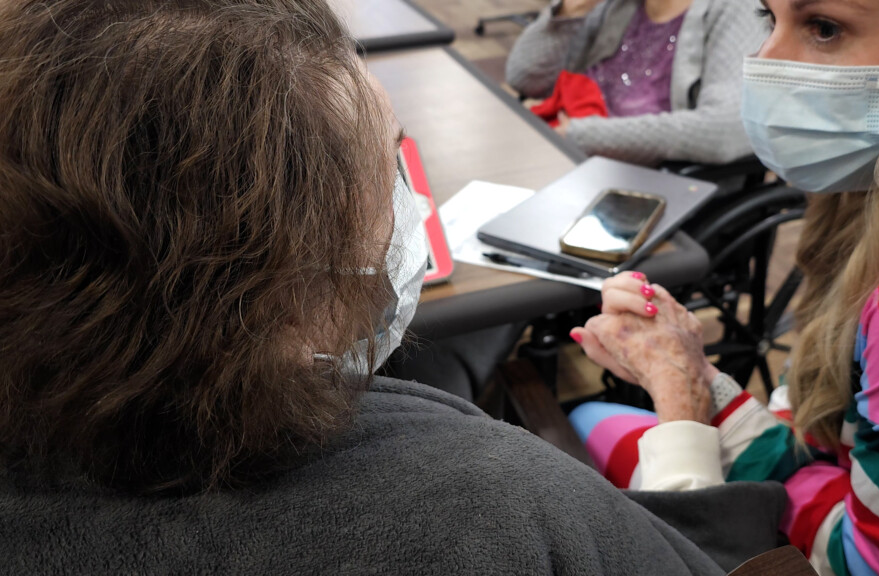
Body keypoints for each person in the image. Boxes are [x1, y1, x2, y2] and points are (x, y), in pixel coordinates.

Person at [0, 0, 789, 573]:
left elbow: (723, 127)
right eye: (394, 167)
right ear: (294, 276)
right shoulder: (498, 503)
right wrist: (684, 412)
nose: (415, 206)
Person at [568, 0, 879, 574]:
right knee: (592, 422)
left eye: (825, 28)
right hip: (842, 468)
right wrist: (692, 373)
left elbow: (868, 568)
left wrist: (683, 398)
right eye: (768, 18)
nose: (764, 60)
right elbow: (818, 419)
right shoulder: (875, 186)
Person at [505, 0, 764, 166]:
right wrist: (572, 9)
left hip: (650, 187)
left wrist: (581, 135)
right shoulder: (618, 6)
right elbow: (526, 78)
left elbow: (725, 131)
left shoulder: (736, 7)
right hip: (574, 163)